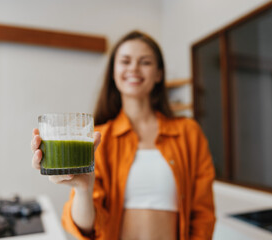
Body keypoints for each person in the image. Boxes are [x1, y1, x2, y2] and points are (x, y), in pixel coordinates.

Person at [31, 30, 216, 240]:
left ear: (159, 73)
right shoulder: (98, 138)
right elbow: (87, 228)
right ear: (113, 72)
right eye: (125, 61)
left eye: (145, 62)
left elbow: (203, 214)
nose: (134, 69)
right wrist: (83, 190)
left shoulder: (188, 133)